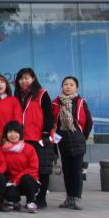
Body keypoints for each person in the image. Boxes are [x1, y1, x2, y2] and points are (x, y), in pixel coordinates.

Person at [15, 68, 55, 208]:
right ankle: (30, 197)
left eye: (27, 78)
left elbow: (49, 115)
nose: (24, 81)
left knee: (42, 169)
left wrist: (45, 132)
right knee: (26, 169)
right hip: (23, 139)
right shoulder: (17, 96)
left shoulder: (41, 94)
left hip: (39, 138)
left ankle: (41, 198)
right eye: (21, 78)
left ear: (33, 79)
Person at [54, 76, 93, 210]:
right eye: (66, 84)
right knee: (67, 171)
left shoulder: (81, 102)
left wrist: (82, 136)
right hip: (63, 141)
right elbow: (54, 124)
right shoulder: (56, 103)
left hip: (77, 141)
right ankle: (69, 198)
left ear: (76, 88)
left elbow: (88, 122)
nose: (68, 87)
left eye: (71, 84)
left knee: (76, 171)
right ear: (62, 87)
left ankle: (77, 198)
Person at [1, 121, 40, 213]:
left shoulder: (29, 148)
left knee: (26, 178)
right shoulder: (3, 149)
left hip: (28, 181)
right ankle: (15, 201)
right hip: (12, 182)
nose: (13, 135)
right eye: (10, 132)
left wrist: (18, 179)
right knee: (10, 194)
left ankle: (30, 202)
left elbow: (33, 168)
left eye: (16, 132)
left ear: (20, 133)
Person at [0, 74, 22, 144]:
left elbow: (18, 119)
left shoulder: (13, 100)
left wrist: (11, 136)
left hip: (11, 139)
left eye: (2, 82)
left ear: (6, 85)